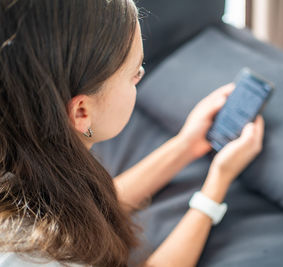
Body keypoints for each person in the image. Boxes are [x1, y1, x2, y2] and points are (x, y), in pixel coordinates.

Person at [0, 0, 265, 266]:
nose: (141, 75)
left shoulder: (25, 164)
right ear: (81, 112)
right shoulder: (34, 258)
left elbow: (78, 210)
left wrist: (185, 145)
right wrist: (217, 183)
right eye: (134, 73)